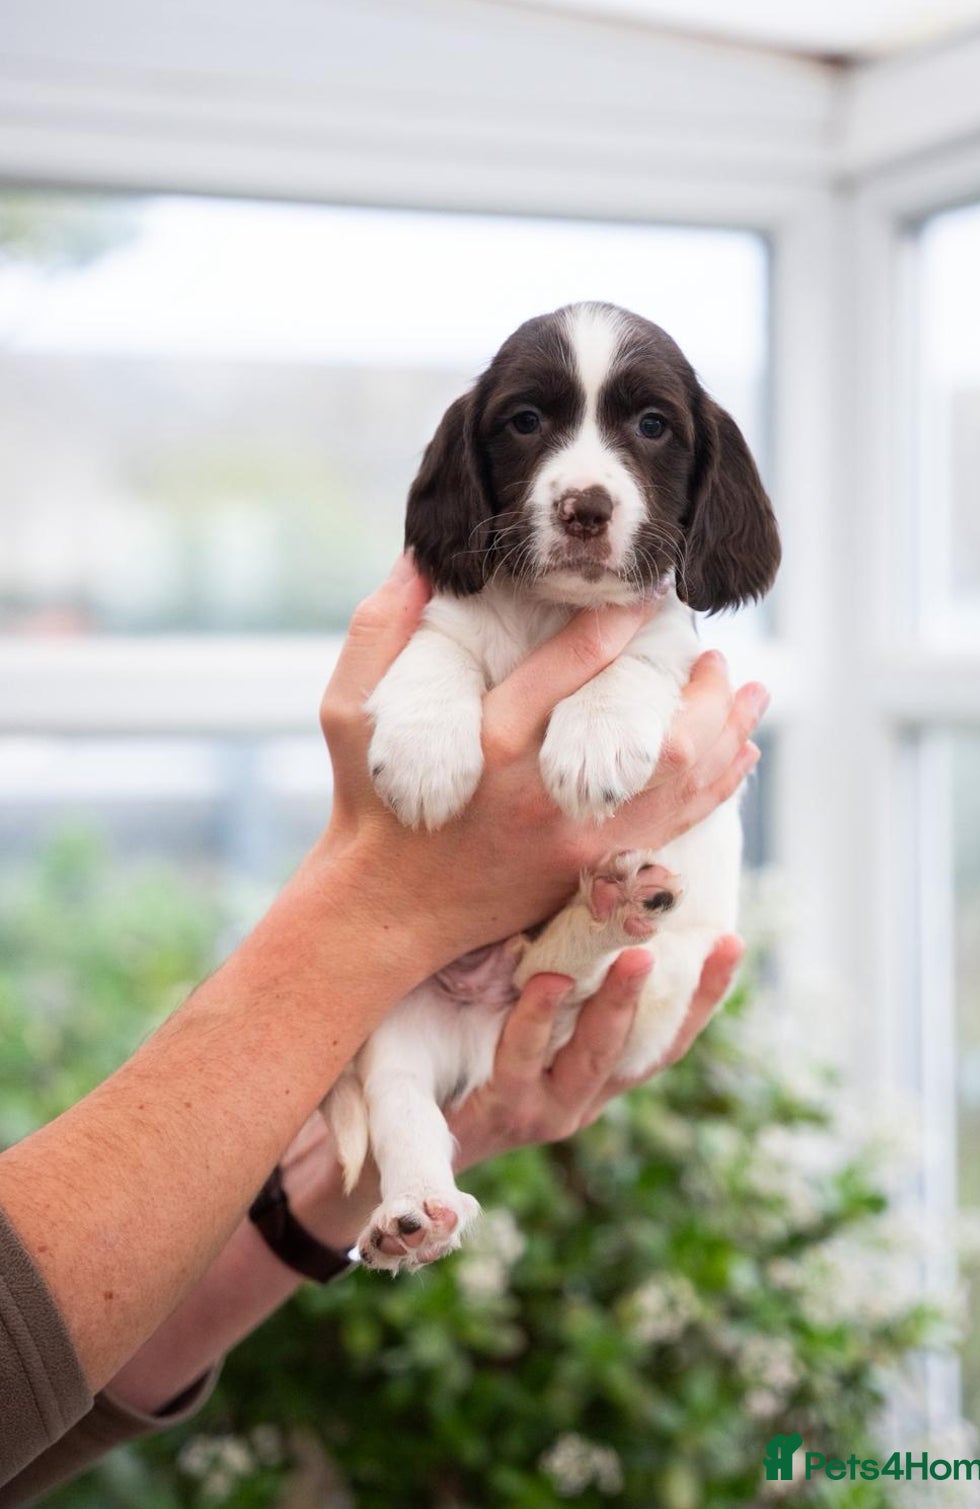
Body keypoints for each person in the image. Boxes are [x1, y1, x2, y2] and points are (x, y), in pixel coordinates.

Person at [0, 553, 769, 1503]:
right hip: (516, 964)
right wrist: (377, 912)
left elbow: (34, 1401)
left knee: (413, 1059)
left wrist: (328, 1189)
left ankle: (430, 1148)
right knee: (403, 1050)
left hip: (565, 963)